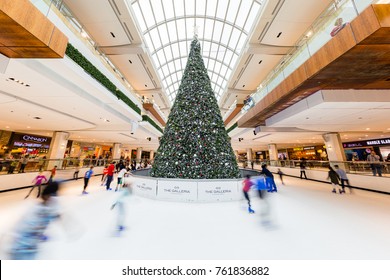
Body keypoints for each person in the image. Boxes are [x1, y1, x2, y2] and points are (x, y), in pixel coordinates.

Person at [9, 181, 61, 259]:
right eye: (52, 197)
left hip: (28, 248)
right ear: (47, 196)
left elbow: (49, 217)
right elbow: (23, 228)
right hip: (22, 250)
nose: (54, 200)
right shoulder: (36, 212)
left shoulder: (46, 210)